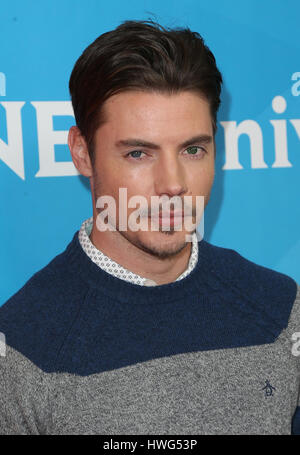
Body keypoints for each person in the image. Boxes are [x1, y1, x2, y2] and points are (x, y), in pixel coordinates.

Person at [0, 19, 299, 435]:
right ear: (82, 154)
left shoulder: (283, 309)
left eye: (193, 149)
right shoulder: (19, 347)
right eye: (139, 153)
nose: (173, 184)